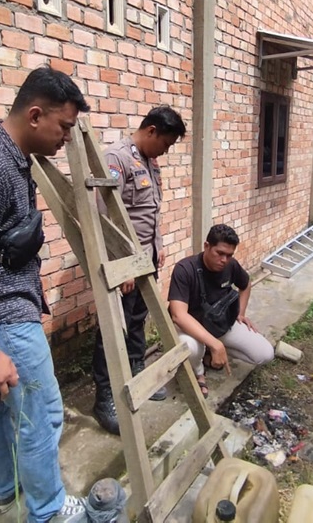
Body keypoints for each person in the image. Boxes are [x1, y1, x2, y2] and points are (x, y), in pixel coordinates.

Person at [0, 67, 90, 522]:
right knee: (41, 417)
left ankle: (6, 495)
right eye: (64, 127)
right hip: (3, 325)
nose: (67, 137)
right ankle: (46, 512)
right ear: (35, 114)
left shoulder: (8, 157)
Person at [91, 106, 187, 435]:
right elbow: (103, 219)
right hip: (124, 265)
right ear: (151, 131)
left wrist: (157, 247)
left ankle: (138, 375)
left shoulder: (149, 160)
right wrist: (122, 265)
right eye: (166, 143)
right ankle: (104, 397)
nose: (167, 150)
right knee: (112, 329)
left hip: (145, 260)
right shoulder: (115, 159)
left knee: (136, 322)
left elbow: (150, 209)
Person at [167, 224, 274, 397]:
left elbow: (245, 285)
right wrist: (215, 344)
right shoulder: (185, 269)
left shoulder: (231, 266)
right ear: (207, 246)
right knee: (190, 348)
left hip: (220, 322)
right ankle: (199, 372)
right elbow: (178, 315)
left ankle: (210, 354)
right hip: (191, 328)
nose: (224, 260)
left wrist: (241, 313)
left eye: (229, 255)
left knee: (265, 354)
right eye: (220, 253)